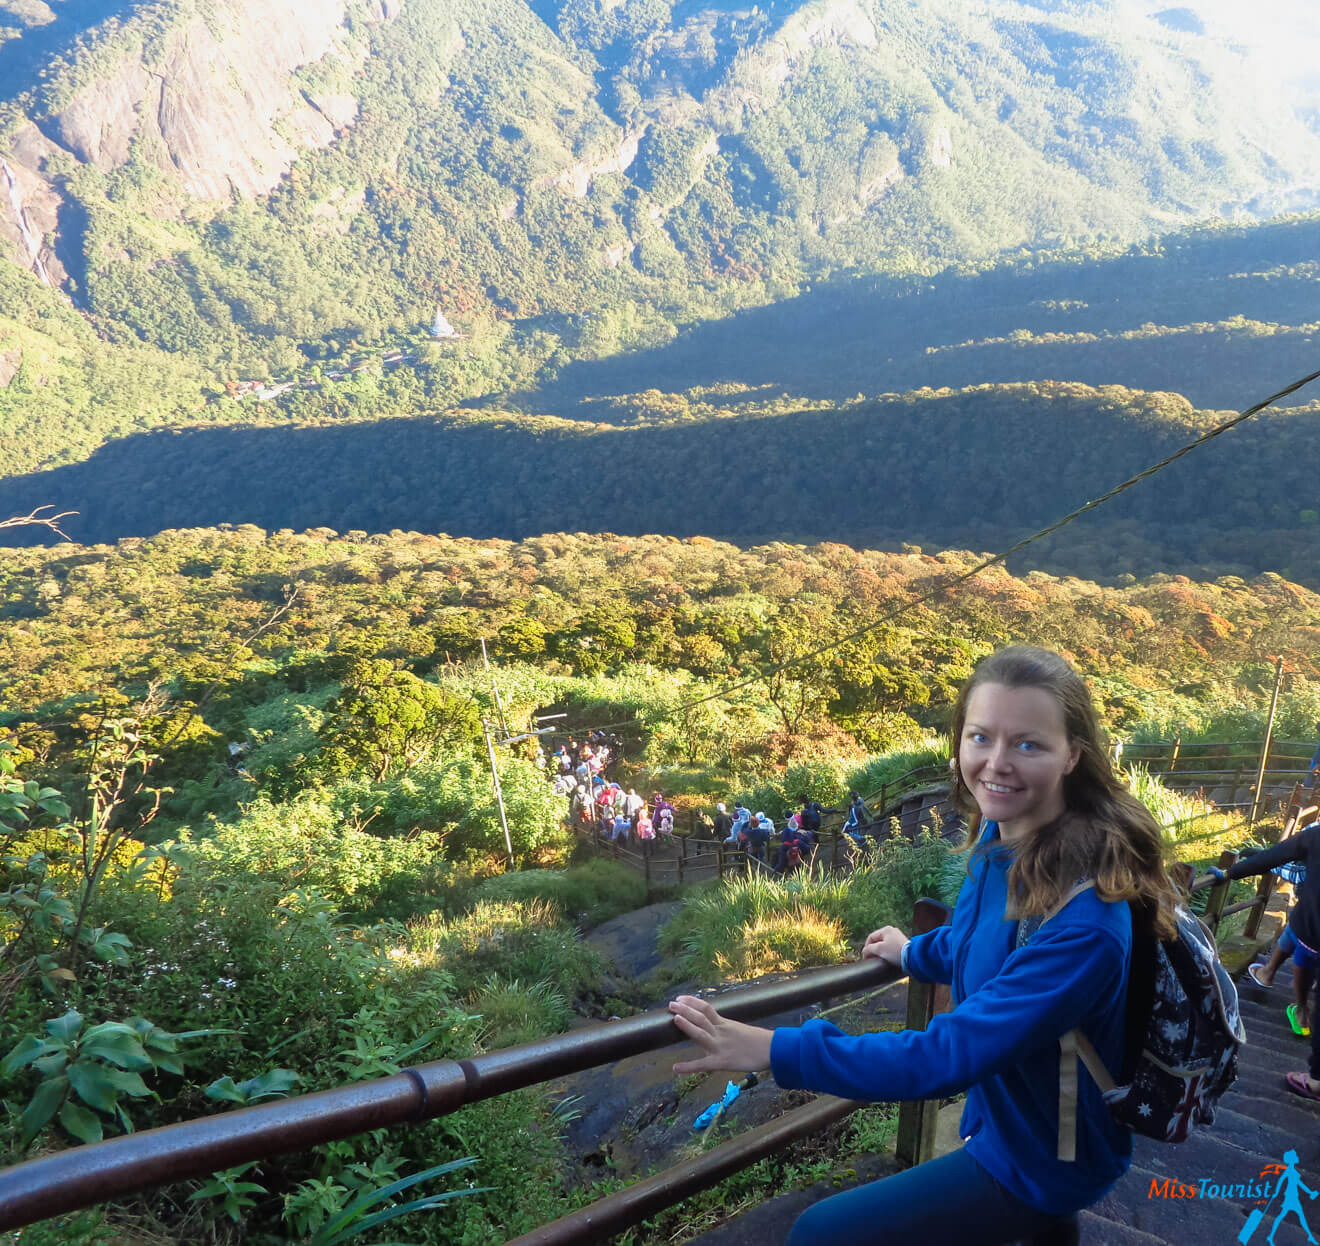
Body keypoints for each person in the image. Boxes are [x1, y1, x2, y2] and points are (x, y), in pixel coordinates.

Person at [667, 645, 1180, 1246]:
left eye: (1028, 744)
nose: (996, 763)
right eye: (980, 736)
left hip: (1048, 1155)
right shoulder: (1005, 831)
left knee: (821, 1233)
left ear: (1073, 756)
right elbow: (983, 944)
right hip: (1019, 1117)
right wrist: (915, 953)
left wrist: (777, 1049)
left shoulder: (1086, 924)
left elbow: (946, 1056)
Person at [1210, 819, 1320, 1082]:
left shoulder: (1314, 835)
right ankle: (1316, 1076)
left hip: (1311, 931)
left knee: (1302, 953)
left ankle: (1301, 1007)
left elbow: (1273, 857)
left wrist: (1229, 873)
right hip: (1308, 930)